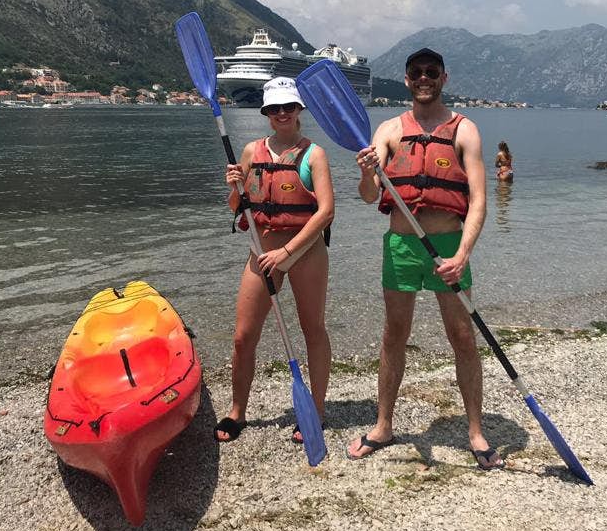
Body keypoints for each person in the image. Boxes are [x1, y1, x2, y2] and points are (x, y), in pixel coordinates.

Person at [346, 47, 503, 470]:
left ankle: (475, 431)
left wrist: (464, 253)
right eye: (416, 73)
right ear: (407, 79)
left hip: (449, 246)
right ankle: (383, 426)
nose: (424, 78)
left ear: (443, 78)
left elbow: (480, 200)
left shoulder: (464, 130)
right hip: (401, 246)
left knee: (462, 337)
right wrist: (365, 171)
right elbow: (366, 196)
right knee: (394, 334)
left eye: (431, 72)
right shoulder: (389, 129)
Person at [215, 77, 335, 444]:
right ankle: (238, 410)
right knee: (242, 336)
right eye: (275, 108)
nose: (282, 113)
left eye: (289, 107)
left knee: (312, 328)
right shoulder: (252, 152)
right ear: (267, 113)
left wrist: (287, 251)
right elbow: (238, 206)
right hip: (260, 253)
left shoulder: (313, 154)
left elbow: (326, 211)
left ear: (299, 110)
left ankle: (315, 408)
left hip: (304, 254)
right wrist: (234, 187)